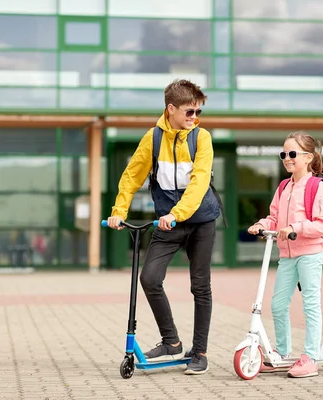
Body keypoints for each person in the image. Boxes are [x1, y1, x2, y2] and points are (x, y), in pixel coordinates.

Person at [106, 79, 220, 375]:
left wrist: (177, 214)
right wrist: (118, 211)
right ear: (171, 109)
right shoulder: (153, 138)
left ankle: (200, 351)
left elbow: (199, 183)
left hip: (200, 221)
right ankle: (171, 341)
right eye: (190, 112)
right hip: (168, 224)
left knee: (200, 286)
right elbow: (132, 176)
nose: (195, 118)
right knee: (150, 278)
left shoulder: (202, 138)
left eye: (198, 112)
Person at [247, 131, 323, 378]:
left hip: (309, 254)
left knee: (310, 305)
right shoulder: (284, 186)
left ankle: (311, 358)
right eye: (283, 153)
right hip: (286, 255)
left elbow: (322, 224)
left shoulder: (318, 188)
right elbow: (274, 217)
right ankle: (282, 352)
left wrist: (295, 228)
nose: (287, 158)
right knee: (277, 305)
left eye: (292, 153)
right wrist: (262, 224)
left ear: (308, 157)